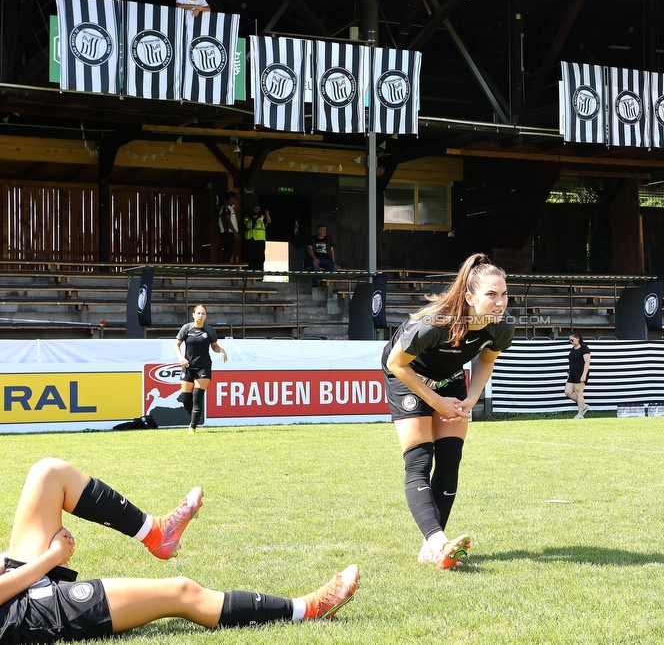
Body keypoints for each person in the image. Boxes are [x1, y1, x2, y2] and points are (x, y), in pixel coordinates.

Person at [0, 458, 359, 644]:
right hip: (19, 614)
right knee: (180, 591)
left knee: (49, 473)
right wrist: (52, 558)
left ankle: (156, 533)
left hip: (10, 580)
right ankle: (307, 610)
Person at [381, 253, 514, 570]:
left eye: (504, 294)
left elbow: (486, 359)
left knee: (450, 456)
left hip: (450, 378)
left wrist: (471, 397)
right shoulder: (434, 322)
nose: (500, 302)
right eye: (491, 294)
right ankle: (438, 541)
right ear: (469, 297)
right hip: (408, 375)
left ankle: (433, 545)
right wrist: (436, 401)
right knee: (419, 460)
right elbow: (395, 363)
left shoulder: (501, 326)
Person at [173, 304, 227, 435]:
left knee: (197, 398)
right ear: (193, 315)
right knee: (186, 399)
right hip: (188, 367)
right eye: (198, 313)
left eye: (203, 313)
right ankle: (195, 416)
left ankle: (192, 427)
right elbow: (176, 344)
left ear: (206, 316)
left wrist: (221, 350)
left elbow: (214, 346)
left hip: (203, 367)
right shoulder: (186, 328)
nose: (200, 316)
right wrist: (180, 358)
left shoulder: (210, 330)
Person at [564, 329, 591, 419]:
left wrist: (584, 374)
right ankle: (583, 405)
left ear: (578, 338)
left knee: (579, 392)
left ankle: (580, 414)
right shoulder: (573, 349)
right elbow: (572, 362)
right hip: (572, 373)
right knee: (568, 392)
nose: (571, 342)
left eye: (572, 340)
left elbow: (587, 362)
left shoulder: (584, 348)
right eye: (570, 340)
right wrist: (569, 372)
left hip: (580, 373)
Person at [242, 204, 271, 271]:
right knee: (249, 258)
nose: (256, 210)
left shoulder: (262, 218)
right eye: (255, 208)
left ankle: (259, 275)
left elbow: (269, 221)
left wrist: (267, 214)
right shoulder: (247, 218)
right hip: (249, 240)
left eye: (258, 208)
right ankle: (250, 274)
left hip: (259, 241)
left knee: (260, 258)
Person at [217, 191, 239, 263]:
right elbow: (228, 220)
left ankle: (226, 265)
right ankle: (225, 265)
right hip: (227, 232)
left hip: (230, 232)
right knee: (228, 249)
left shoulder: (230, 208)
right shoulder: (226, 208)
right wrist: (235, 232)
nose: (235, 201)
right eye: (235, 199)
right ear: (232, 198)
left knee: (230, 249)